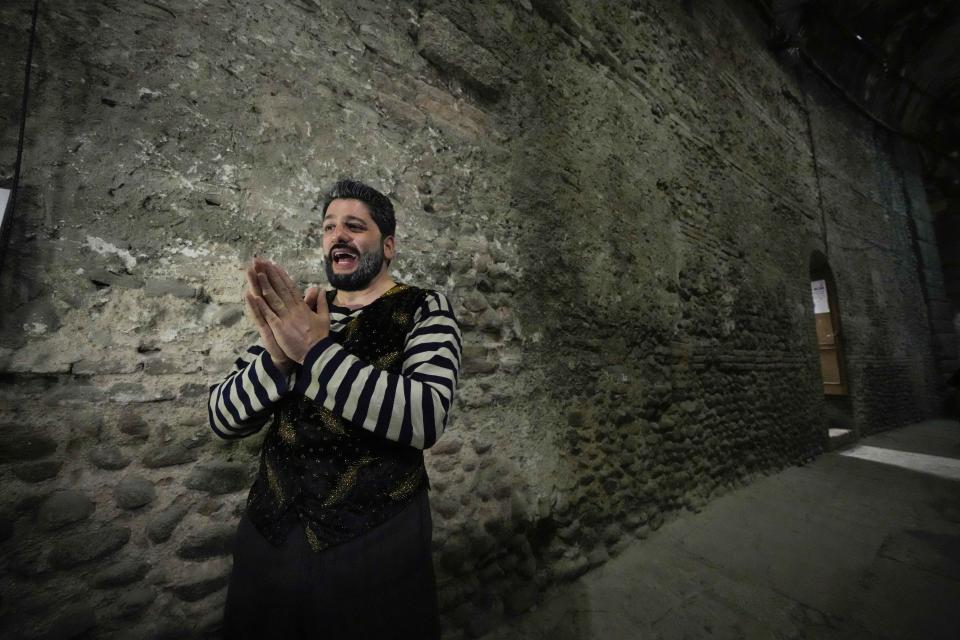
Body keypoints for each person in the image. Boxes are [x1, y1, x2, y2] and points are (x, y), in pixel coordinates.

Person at [207, 179, 462, 639]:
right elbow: (221, 418)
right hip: (270, 538)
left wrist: (315, 351)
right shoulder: (301, 312)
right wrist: (280, 359)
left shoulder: (425, 307)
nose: (337, 235)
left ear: (388, 246)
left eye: (354, 226)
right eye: (328, 227)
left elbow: (425, 416)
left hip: (375, 542)